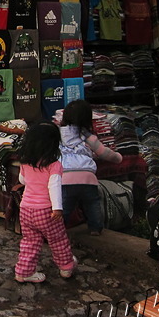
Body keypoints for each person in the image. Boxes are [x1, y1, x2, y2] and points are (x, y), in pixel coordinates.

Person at [15, 121, 77, 283]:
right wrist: (57, 208)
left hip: (26, 209)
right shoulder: (54, 165)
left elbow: (22, 179)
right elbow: (54, 186)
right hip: (46, 210)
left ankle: (23, 272)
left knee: (30, 241)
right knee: (58, 240)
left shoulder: (25, 162)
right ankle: (66, 267)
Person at [59, 99, 122, 235]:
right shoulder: (88, 137)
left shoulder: (58, 135)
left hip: (65, 177)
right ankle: (95, 228)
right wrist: (118, 158)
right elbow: (105, 153)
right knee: (92, 203)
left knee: (64, 208)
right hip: (88, 178)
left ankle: (57, 230)